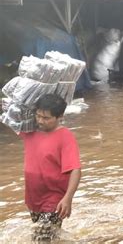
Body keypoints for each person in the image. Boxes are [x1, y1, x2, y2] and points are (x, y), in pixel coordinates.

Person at [20, 94, 81, 241]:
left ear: (59, 116)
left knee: (41, 238)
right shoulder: (29, 131)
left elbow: (75, 169)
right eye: (38, 116)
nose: (40, 121)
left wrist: (68, 198)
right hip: (33, 198)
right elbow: (12, 117)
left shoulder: (65, 136)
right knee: (45, 237)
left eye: (46, 118)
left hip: (54, 199)